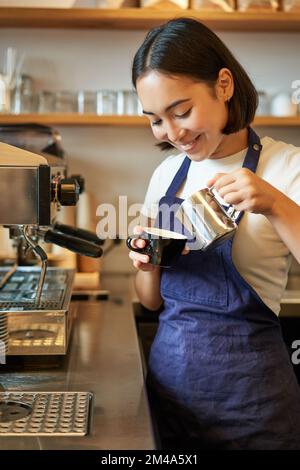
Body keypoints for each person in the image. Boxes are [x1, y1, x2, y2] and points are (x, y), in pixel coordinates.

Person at [128, 17, 300, 450]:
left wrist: (275, 204)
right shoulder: (167, 173)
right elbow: (150, 300)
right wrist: (146, 261)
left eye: (182, 111)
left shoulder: (287, 166)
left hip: (253, 408)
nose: (173, 133)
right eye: (156, 120)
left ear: (224, 85)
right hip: (169, 397)